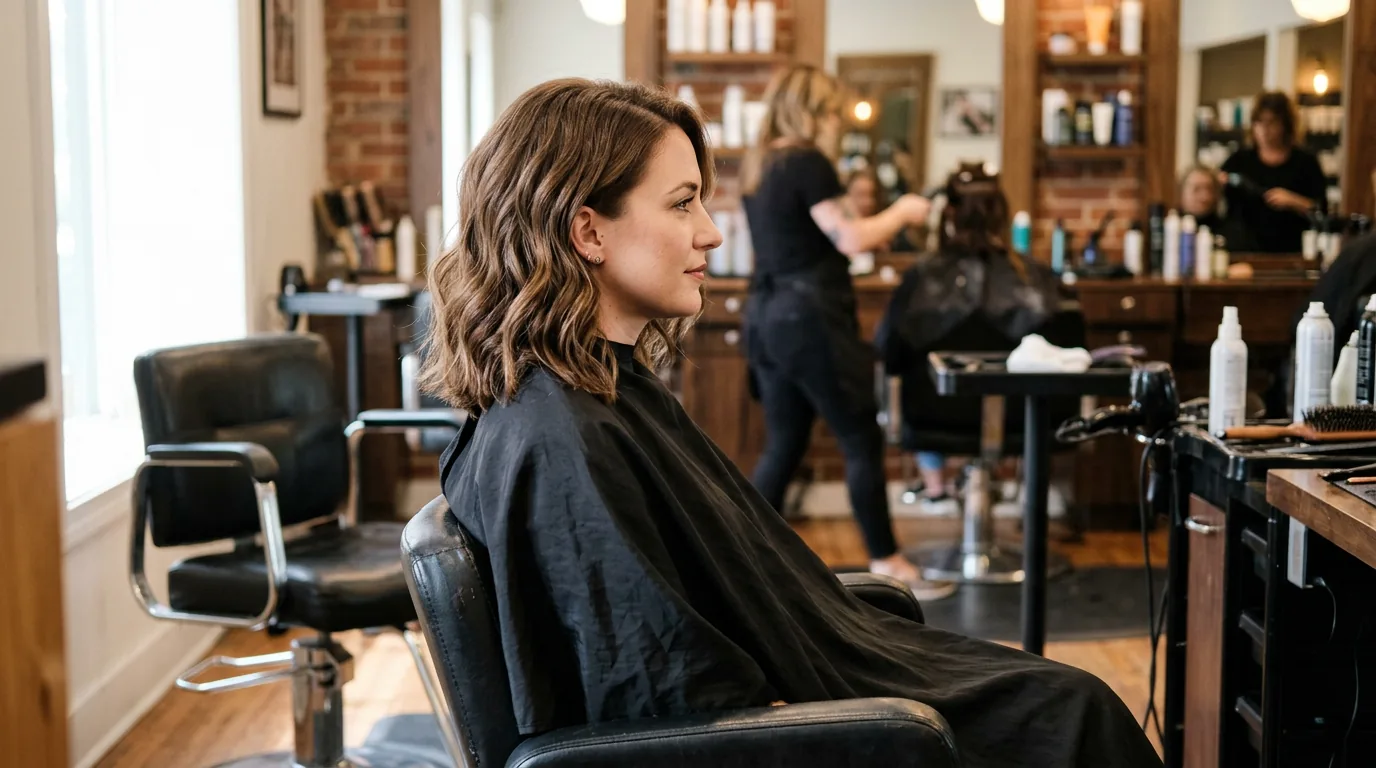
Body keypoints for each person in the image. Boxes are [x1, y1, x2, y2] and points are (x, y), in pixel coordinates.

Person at [421, 76, 1162, 768]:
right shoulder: (561, 436)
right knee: (1076, 714)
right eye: (683, 204)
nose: (711, 234)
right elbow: (655, 700)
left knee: (1063, 699)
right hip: (807, 726)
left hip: (824, 677)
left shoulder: (586, 390)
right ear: (589, 231)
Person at [738, 65, 953, 600]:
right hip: (810, 319)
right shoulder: (806, 160)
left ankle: (741, 561)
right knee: (860, 435)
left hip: (766, 316)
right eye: (832, 111)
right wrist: (902, 211)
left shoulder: (760, 166)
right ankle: (890, 561)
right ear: (813, 110)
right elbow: (850, 238)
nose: (837, 122)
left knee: (784, 444)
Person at [1219, 91, 1327, 253]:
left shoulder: (1305, 163)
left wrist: (1293, 201)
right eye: (1259, 122)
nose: (1264, 130)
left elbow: (1321, 210)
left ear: (1285, 125)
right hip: (1245, 249)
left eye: (1271, 123)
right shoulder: (1239, 160)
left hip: (1292, 250)